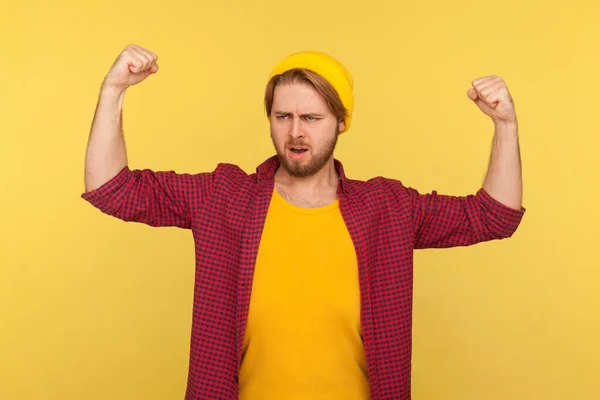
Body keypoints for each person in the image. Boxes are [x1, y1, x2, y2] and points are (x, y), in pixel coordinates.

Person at [82, 44, 525, 400]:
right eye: (283, 117)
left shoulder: (385, 209)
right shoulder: (224, 197)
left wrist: (504, 124)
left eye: (312, 118)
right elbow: (112, 189)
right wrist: (113, 90)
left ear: (341, 122)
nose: (296, 132)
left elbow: (494, 216)